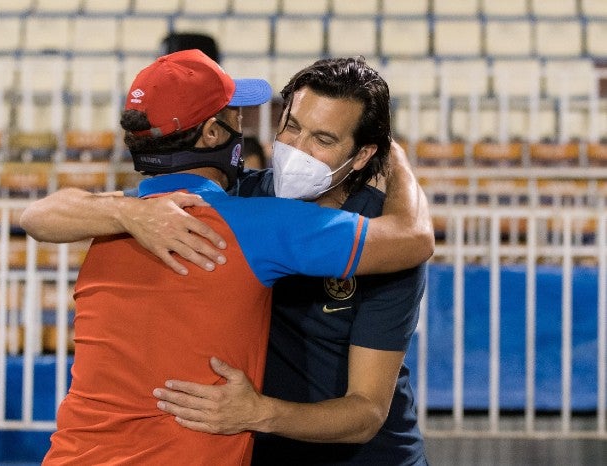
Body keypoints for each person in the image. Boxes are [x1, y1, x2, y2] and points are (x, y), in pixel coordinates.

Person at [23, 51, 433, 465]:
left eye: (323, 140)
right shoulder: (220, 206)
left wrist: (259, 413)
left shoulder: (379, 243)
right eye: (292, 127)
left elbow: (366, 413)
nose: (298, 149)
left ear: (362, 154)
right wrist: (126, 211)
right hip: (253, 448)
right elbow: (40, 215)